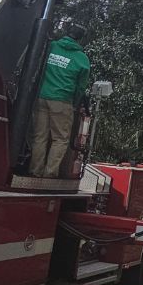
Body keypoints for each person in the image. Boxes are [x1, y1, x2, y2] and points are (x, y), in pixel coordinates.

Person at [28, 31, 91, 176]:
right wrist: (74, 103)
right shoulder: (82, 59)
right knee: (60, 139)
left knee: (39, 136)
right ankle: (49, 173)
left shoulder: (52, 46)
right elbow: (81, 86)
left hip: (41, 97)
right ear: (80, 40)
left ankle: (35, 171)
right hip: (62, 100)